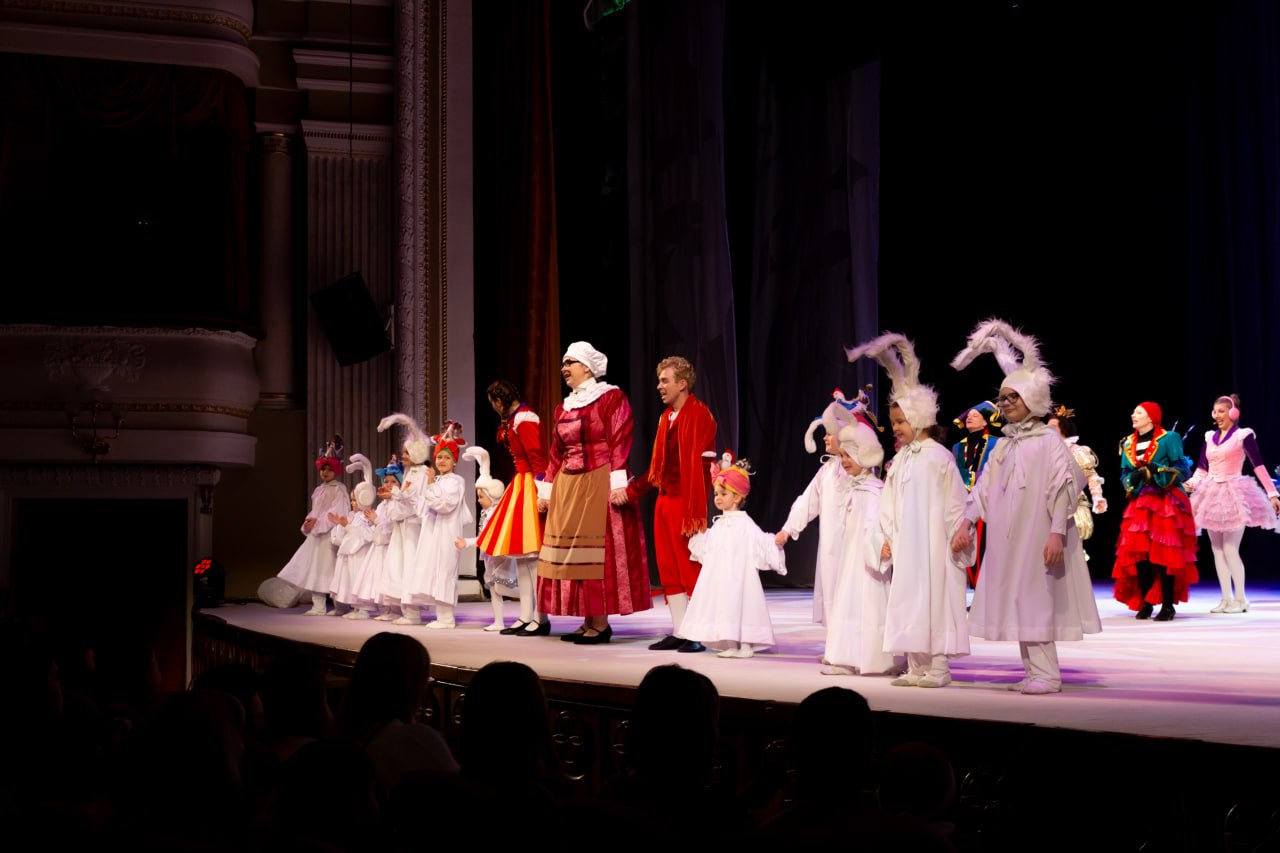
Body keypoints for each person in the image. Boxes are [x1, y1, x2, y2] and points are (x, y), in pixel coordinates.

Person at [950, 318, 1102, 694]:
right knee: (1018, 597)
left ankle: (1048, 674)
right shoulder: (1005, 445)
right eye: (1003, 398)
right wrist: (967, 521)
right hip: (1011, 535)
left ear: (1031, 399)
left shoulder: (1047, 441)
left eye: (1013, 397)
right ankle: (1033, 670)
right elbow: (984, 487)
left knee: (1035, 596)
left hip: (1038, 533)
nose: (1005, 404)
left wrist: (1056, 533)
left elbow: (1064, 487)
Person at [847, 333, 970, 688]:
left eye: (901, 422)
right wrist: (885, 537)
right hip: (907, 546)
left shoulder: (939, 458)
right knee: (910, 600)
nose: (896, 429)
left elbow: (954, 500)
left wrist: (959, 531)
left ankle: (939, 666)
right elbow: (888, 503)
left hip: (933, 545)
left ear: (919, 419)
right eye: (894, 422)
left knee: (935, 601)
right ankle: (917, 665)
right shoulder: (901, 460)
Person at [536, 341, 651, 643]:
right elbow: (555, 453)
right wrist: (547, 490)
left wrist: (618, 483)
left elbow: (620, 439)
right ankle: (588, 618)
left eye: (570, 362)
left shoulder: (610, 397)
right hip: (569, 485)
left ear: (586, 367)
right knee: (576, 555)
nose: (564, 368)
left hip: (599, 480)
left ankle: (600, 622)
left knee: (598, 554)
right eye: (563, 363)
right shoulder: (563, 407)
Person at [623, 356, 717, 652]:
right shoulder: (666, 418)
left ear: (682, 384)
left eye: (665, 381)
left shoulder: (699, 414)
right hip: (665, 500)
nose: (659, 386)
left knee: (688, 568)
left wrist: (695, 511)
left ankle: (697, 633)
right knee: (668, 569)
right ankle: (680, 630)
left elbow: (702, 468)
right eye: (659, 381)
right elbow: (657, 469)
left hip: (685, 503)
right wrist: (632, 491)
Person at [676, 457, 787, 658]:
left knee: (742, 606)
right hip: (722, 578)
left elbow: (760, 542)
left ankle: (745, 645)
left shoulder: (745, 524)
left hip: (741, 578)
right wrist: (698, 535)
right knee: (726, 607)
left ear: (736, 497)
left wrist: (774, 542)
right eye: (716, 494)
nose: (718, 498)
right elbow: (708, 548)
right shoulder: (720, 524)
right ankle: (732, 644)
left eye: (723, 494)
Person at [775, 390, 865, 630]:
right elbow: (807, 501)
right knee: (832, 590)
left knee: (850, 592)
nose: (825, 437)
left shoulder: (857, 469)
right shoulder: (827, 470)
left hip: (850, 542)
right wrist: (787, 530)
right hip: (830, 545)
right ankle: (836, 639)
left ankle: (850, 639)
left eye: (830, 433)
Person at [820, 420, 902, 677]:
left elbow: (880, 523)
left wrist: (881, 546)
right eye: (842, 455)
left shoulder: (874, 491)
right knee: (848, 600)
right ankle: (845, 656)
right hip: (852, 559)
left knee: (868, 602)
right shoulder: (854, 489)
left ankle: (874, 659)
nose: (844, 461)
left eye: (849, 456)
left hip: (868, 561)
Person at [1184, 393, 1280, 613]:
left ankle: (1241, 599)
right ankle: (1225, 599)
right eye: (1215, 411)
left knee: (1230, 548)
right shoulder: (1210, 437)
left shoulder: (1243, 436)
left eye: (1222, 411)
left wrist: (1272, 493)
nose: (1217, 415)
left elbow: (1258, 465)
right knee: (1217, 549)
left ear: (1233, 413)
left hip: (1234, 493)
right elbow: (1202, 468)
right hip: (1210, 494)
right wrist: (1190, 483)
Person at [1112, 401, 1198, 621]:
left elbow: (1183, 469)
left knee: (1163, 553)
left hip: (1164, 501)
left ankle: (1167, 605)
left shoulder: (1169, 438)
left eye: (1139, 412)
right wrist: (1133, 479)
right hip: (1140, 502)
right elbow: (1124, 473)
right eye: (1134, 411)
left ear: (1151, 417)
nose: (1133, 415)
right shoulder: (1128, 442)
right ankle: (1146, 602)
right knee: (1139, 554)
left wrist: (1157, 470)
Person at [477, 379, 549, 636]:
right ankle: (525, 615)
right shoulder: (514, 419)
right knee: (521, 557)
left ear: (499, 401)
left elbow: (538, 459)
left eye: (493, 404)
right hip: (520, 484)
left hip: (531, 485)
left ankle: (540, 617)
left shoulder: (525, 419)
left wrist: (543, 492)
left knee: (533, 558)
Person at [400, 437, 472, 628]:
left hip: (447, 531)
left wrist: (431, 485)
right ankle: (441, 616)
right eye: (439, 457)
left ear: (454, 461)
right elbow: (423, 508)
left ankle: (447, 618)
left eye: (446, 458)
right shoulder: (437, 480)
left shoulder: (456, 481)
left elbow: (445, 504)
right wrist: (408, 494)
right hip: (433, 532)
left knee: (445, 571)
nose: (441, 461)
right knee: (435, 571)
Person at [276, 435, 351, 616]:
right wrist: (308, 523)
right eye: (323, 469)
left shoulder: (338, 489)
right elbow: (315, 511)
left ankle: (341, 606)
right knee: (315, 569)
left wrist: (319, 522)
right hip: (317, 535)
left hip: (329, 535)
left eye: (329, 469)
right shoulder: (318, 490)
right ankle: (318, 606)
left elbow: (337, 512)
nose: (325, 472)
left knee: (332, 569)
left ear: (336, 470)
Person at [376, 414, 436, 622]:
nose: (403, 456)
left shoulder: (422, 473)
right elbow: (404, 500)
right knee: (398, 566)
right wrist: (393, 496)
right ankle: (400, 609)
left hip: (413, 528)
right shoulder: (411, 472)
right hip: (403, 527)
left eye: (407, 452)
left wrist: (395, 495)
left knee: (410, 566)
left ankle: (412, 613)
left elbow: (416, 503)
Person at [457, 446, 523, 631]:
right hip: (489, 557)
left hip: (500, 557)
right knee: (494, 589)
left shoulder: (496, 514)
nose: (478, 500)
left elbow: (486, 537)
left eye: (481, 497)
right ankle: (499, 622)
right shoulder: (486, 513)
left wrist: (467, 542)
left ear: (492, 496)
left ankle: (531, 604)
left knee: (504, 587)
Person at [951, 400, 1002, 588]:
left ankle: (984, 586)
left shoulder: (997, 443)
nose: (969, 418)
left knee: (985, 545)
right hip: (962, 501)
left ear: (985, 421)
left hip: (988, 501)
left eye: (975, 415)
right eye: (968, 416)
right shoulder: (957, 447)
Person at [329, 453, 384, 619]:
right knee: (347, 579)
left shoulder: (366, 517)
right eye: (352, 500)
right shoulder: (353, 516)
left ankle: (363, 609)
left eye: (355, 499)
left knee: (359, 578)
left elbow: (366, 536)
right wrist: (340, 525)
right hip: (350, 554)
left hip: (360, 555)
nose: (353, 503)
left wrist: (348, 526)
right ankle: (349, 607)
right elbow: (343, 538)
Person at [1046, 405, 1108, 550]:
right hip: (1046, 507)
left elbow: (1091, 476)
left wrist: (1097, 497)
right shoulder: (1042, 453)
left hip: (1072, 506)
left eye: (1052, 427)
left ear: (1063, 429)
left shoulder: (1078, 451)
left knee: (1072, 550)